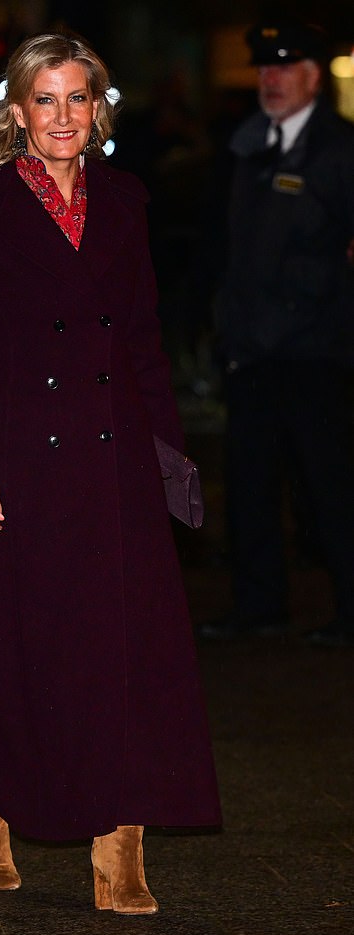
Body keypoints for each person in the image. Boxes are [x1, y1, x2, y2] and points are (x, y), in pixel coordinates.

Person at [0, 32, 221, 915]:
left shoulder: (128, 199)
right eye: (46, 100)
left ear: (100, 109)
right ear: (17, 112)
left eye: (78, 98)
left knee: (123, 656)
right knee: (13, 649)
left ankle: (120, 847)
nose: (63, 117)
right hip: (14, 462)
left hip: (113, 459)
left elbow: (139, 342)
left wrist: (171, 456)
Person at [198, 21, 354, 648]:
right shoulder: (248, 145)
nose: (271, 80)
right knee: (249, 484)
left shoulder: (340, 151)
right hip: (253, 349)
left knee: (330, 487)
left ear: (314, 77)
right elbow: (230, 244)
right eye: (264, 69)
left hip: (317, 352)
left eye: (284, 69)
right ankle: (258, 605)